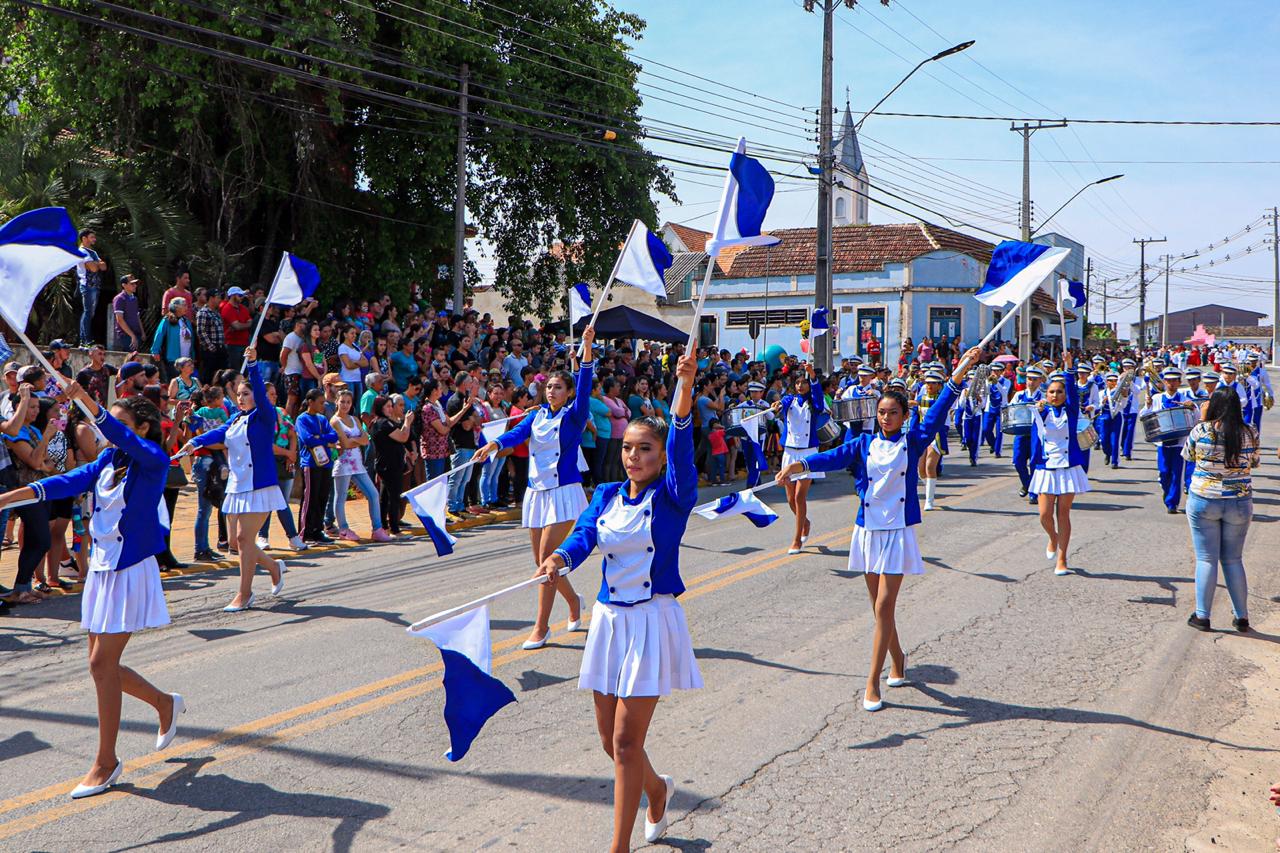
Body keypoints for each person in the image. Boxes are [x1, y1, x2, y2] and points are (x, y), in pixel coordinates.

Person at [531, 351, 700, 850]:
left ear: (662, 455)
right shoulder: (605, 494)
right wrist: (558, 560)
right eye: (628, 448)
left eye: (645, 449)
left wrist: (683, 389)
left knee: (627, 742)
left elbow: (684, 442)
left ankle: (618, 847)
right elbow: (582, 537)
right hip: (609, 621)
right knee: (611, 743)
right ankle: (659, 789)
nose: (633, 457)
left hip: (651, 621)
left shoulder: (673, 496)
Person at [0, 386, 184, 799]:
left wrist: (86, 398)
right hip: (101, 571)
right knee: (102, 667)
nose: (107, 433)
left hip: (130, 569)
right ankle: (164, 703)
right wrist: (7, 499)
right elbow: (67, 480)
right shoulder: (107, 460)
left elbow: (124, 439)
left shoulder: (153, 460)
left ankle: (106, 762)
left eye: (119, 424)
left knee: (102, 664)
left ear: (142, 427)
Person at [777, 346, 980, 714]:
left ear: (904, 416)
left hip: (898, 531)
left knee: (885, 605)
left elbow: (938, 412)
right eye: (882, 412)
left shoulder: (913, 439)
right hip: (868, 531)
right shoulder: (863, 444)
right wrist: (798, 464)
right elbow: (831, 456)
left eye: (893, 413)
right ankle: (899, 658)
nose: (886, 418)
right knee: (878, 610)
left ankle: (872, 683)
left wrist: (962, 367)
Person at [475, 326, 596, 650]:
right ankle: (574, 602)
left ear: (568, 392)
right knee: (544, 565)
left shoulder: (574, 415)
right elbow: (515, 436)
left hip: (563, 492)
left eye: (559, 387)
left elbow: (585, 386)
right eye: (550, 387)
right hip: (536, 493)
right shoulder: (537, 416)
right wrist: (493, 444)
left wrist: (586, 349)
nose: (552, 391)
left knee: (546, 561)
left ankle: (541, 628)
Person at [181, 349, 285, 611]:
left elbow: (260, 392)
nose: (241, 398)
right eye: (238, 394)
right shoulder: (235, 419)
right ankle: (274, 567)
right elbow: (217, 432)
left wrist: (252, 364)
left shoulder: (265, 415)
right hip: (238, 485)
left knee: (244, 539)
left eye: (246, 393)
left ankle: (245, 593)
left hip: (260, 485)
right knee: (239, 543)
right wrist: (195, 442)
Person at [1182, 385, 1259, 632]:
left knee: (1206, 558)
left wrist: (1203, 421)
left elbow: (1188, 456)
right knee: (1233, 559)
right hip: (1239, 500)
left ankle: (1203, 616)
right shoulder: (1250, 432)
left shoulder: (1201, 430)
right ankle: (1242, 616)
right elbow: (1254, 461)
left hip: (1204, 498)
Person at [1029, 358, 1089, 576]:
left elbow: (1072, 388)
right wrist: (1038, 409)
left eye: (1059, 392)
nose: (1055, 395)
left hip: (1068, 466)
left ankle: (1062, 559)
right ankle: (1053, 537)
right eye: (1051, 392)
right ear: (1046, 394)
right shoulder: (1040, 411)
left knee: (1063, 513)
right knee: (1044, 515)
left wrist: (1068, 367)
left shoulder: (1071, 411)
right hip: (1046, 467)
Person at [772, 361, 827, 554]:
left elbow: (819, 402)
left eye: (804, 382)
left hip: (808, 452)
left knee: (799, 496)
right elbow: (782, 404)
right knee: (789, 499)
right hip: (790, 451)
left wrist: (813, 377)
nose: (800, 386)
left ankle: (797, 539)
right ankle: (805, 522)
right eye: (798, 383)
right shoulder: (789, 400)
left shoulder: (814, 403)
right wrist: (778, 405)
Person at [331, 389, 390, 542]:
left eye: (348, 402)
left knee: (373, 494)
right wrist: (357, 439)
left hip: (357, 463)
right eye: (342, 401)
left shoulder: (355, 419)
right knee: (341, 497)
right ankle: (343, 529)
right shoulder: (335, 421)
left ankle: (377, 529)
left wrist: (354, 440)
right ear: (336, 402)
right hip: (343, 464)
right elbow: (345, 443)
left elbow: (366, 439)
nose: (345, 405)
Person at [1139, 367, 1198, 513]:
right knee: (1164, 472)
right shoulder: (1157, 398)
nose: (1171, 383)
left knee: (1177, 474)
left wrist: (1193, 408)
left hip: (1179, 443)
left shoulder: (1185, 399)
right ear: (1165, 382)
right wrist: (1147, 405)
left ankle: (1172, 504)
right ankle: (1167, 491)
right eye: (1169, 380)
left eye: (1174, 381)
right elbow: (1144, 416)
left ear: (1179, 382)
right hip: (1163, 443)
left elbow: (1196, 419)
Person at [295, 388, 340, 544]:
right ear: (310, 402)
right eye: (320, 402)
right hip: (310, 463)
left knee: (322, 497)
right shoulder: (302, 419)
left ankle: (317, 530)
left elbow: (334, 436)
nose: (323, 405)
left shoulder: (322, 419)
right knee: (310, 498)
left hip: (325, 462)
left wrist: (320, 437)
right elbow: (307, 439)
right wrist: (324, 440)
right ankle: (305, 532)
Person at [369, 394, 413, 536]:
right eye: (387, 406)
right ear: (380, 408)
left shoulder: (383, 422)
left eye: (390, 405)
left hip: (389, 464)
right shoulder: (383, 423)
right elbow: (403, 437)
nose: (390, 408)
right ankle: (394, 528)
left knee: (386, 497)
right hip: (389, 466)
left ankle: (384, 525)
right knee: (394, 497)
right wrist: (407, 422)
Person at [1011, 367, 1046, 499]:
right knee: (1018, 461)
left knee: (1034, 463)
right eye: (1029, 379)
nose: (1031, 382)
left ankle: (1033, 494)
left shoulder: (1043, 396)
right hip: (1021, 431)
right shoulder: (1018, 395)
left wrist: (1042, 408)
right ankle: (1027, 484)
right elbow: (1011, 410)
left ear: (1040, 381)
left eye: (1034, 380)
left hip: (1036, 433)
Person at [76, 228, 106, 345]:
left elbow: (103, 267)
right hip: (87, 286)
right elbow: (94, 268)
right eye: (91, 237)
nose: (94, 239)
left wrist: (95, 264)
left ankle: (84, 340)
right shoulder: (82, 251)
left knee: (90, 313)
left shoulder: (92, 252)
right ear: (84, 238)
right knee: (88, 312)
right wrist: (97, 264)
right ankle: (85, 340)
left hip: (95, 286)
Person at [195, 290, 228, 379]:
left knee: (221, 374)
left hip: (220, 348)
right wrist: (210, 346)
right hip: (210, 350)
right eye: (218, 297)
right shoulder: (203, 312)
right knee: (208, 375)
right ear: (211, 298)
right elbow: (201, 331)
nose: (220, 300)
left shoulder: (217, 313)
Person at [220, 287, 253, 369]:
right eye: (240, 295)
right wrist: (246, 324)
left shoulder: (243, 308)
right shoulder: (227, 308)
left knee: (245, 370)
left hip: (244, 344)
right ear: (232, 296)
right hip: (232, 345)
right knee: (235, 370)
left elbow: (251, 322)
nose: (242, 297)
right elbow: (237, 326)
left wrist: (242, 325)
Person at [111, 274, 143, 353]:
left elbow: (137, 316)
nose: (135, 285)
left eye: (135, 283)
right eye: (132, 284)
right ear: (124, 285)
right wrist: (132, 336)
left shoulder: (134, 298)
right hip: (126, 336)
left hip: (136, 334)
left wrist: (142, 332)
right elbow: (120, 320)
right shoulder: (119, 298)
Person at [707, 418, 728, 485]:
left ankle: (713, 481)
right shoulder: (719, 432)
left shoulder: (710, 435)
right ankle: (723, 481)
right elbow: (726, 430)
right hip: (720, 453)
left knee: (714, 468)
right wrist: (721, 426)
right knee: (722, 467)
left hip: (714, 453)